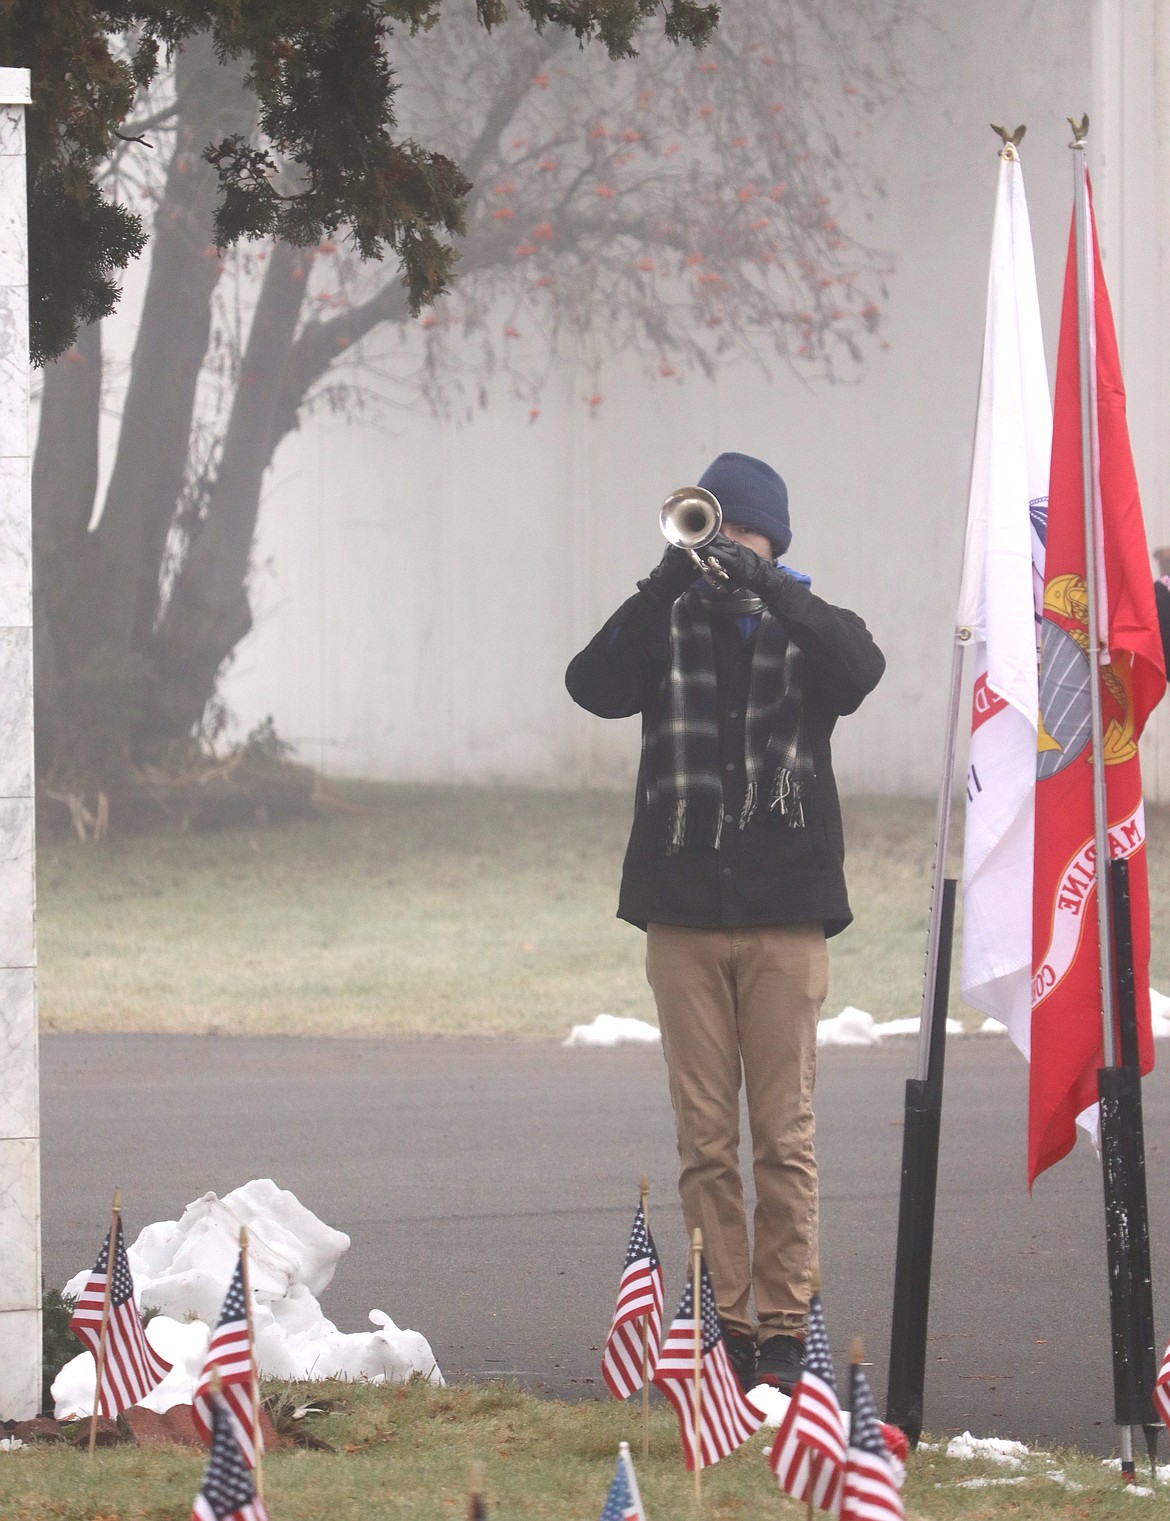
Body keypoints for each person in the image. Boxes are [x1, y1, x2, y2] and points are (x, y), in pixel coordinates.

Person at [565, 451, 885, 1394]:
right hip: (683, 913)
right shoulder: (663, 625)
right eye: (715, 533)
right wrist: (666, 576)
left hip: (787, 914)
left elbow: (860, 668)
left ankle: (785, 1327)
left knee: (782, 1134)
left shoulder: (809, 625)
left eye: (743, 536)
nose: (725, 551)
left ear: (773, 542)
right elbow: (592, 683)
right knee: (706, 1140)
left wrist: (772, 586)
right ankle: (726, 1323)